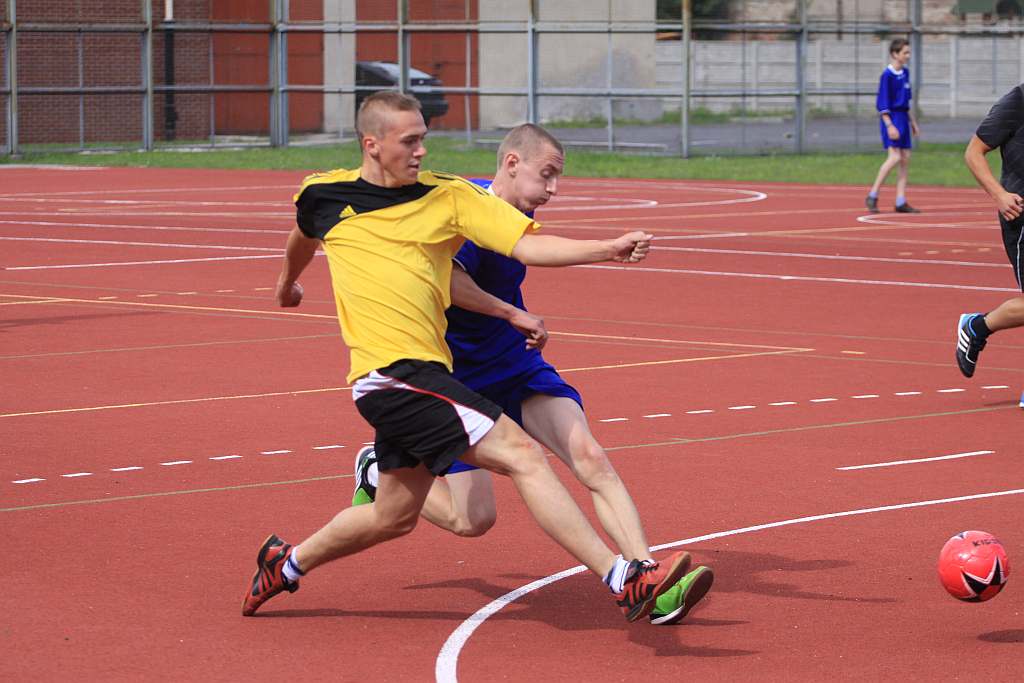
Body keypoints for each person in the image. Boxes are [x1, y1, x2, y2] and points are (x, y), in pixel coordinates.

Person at [242, 91, 691, 622]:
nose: (421, 152)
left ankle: (285, 563)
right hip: (395, 375)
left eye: (424, 140)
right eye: (409, 141)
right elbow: (303, 232)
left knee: (394, 516)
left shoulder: (448, 197)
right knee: (524, 456)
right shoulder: (323, 192)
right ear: (373, 144)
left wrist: (605, 248)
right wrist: (286, 284)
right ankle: (625, 579)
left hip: (427, 375)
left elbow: (528, 247)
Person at [350, 123, 713, 625]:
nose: (553, 189)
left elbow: (538, 252)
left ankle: (646, 576)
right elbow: (448, 280)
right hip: (457, 379)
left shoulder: (517, 219)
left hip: (515, 365)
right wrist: (511, 311)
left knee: (588, 455)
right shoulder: (462, 210)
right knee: (471, 520)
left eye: (558, 179)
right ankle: (374, 470)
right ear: (512, 164)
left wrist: (601, 255)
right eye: (548, 175)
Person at [955, 83, 1024, 409]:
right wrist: (999, 195)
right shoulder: (1018, 100)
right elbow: (973, 152)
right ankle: (976, 326)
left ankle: (977, 326)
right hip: (1021, 217)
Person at [865, 38, 920, 214]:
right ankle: (873, 194)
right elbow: (882, 105)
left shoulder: (905, 73)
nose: (908, 55)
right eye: (905, 52)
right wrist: (889, 125)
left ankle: (900, 200)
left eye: (908, 52)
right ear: (895, 54)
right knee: (894, 157)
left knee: (905, 159)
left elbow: (907, 101)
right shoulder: (887, 76)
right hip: (892, 118)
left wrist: (913, 123)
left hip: (903, 117)